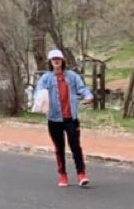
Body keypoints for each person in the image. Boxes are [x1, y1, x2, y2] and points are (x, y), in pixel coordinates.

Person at [35, 48, 93, 187]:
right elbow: (38, 93)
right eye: (53, 59)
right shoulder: (46, 78)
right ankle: (63, 175)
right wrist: (39, 100)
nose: (56, 61)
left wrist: (88, 95)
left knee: (75, 146)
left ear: (62, 61)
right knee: (59, 147)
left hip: (71, 118)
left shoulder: (72, 76)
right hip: (54, 119)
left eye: (58, 59)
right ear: (50, 62)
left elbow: (82, 88)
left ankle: (81, 174)